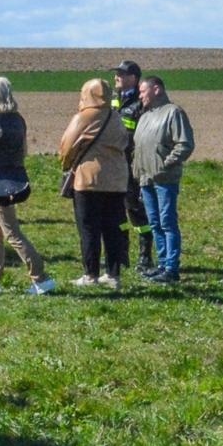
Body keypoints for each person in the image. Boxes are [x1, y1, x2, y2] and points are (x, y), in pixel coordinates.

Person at [0, 77, 55, 295]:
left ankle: (41, 278)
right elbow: (23, 151)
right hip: (14, 179)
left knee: (12, 234)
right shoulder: (17, 119)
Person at [59, 78, 130, 289]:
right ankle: (113, 274)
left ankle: (90, 274)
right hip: (117, 181)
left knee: (89, 228)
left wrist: (67, 164)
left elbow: (66, 146)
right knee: (113, 229)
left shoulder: (84, 117)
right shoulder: (116, 117)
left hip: (88, 180)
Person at [132, 75, 196, 285]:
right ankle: (161, 264)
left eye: (143, 91)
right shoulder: (144, 116)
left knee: (167, 222)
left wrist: (165, 165)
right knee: (155, 223)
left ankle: (171, 268)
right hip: (146, 179)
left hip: (165, 179)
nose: (140, 95)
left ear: (156, 89)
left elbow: (184, 144)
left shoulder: (173, 113)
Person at [110, 60, 157, 275]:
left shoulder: (141, 103)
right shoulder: (113, 99)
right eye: (116, 73)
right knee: (115, 211)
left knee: (136, 210)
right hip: (113, 164)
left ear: (134, 78)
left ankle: (145, 256)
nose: (117, 77)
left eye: (122, 74)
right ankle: (120, 255)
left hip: (133, 166)